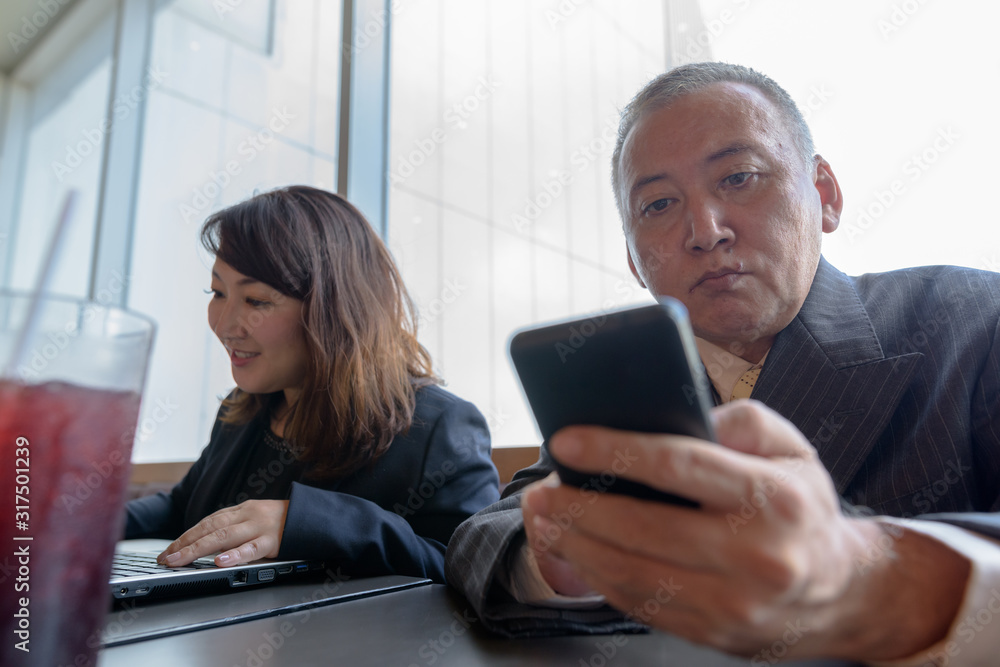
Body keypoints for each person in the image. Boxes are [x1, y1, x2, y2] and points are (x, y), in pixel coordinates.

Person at [445, 63, 1000, 665]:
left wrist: (868, 573)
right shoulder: (631, 388)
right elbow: (488, 530)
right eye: (658, 204)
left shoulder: (973, 320)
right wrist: (554, 560)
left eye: (739, 177)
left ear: (825, 195)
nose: (705, 231)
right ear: (635, 261)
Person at [126, 185, 499, 584]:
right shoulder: (246, 408)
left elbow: (470, 571)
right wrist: (72, 519)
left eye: (256, 301)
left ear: (335, 309)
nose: (225, 325)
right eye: (217, 292)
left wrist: (303, 521)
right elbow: (184, 511)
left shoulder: (441, 426)